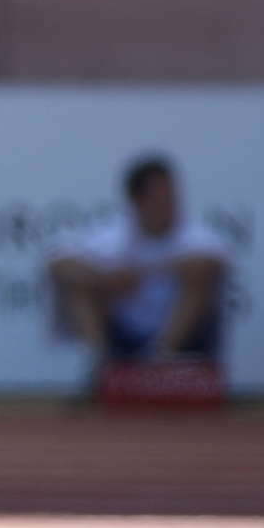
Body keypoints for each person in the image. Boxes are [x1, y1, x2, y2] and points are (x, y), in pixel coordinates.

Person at [49, 155, 231, 377]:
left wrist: (146, 272)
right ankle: (99, 365)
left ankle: (159, 359)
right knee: (80, 286)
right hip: (124, 334)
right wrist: (106, 279)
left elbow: (212, 262)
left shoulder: (193, 234)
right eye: (159, 197)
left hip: (182, 340)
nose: (169, 203)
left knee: (199, 278)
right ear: (137, 201)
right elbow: (59, 263)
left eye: (171, 195)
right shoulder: (116, 236)